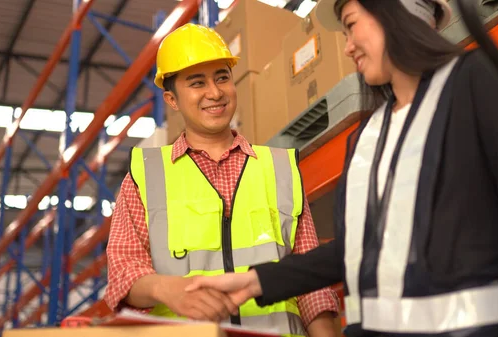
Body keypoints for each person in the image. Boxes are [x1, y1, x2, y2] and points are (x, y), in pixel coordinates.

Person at [185, 1, 498, 337]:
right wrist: (255, 282)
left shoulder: (478, 83)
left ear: (399, 12)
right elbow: (358, 249)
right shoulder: (368, 136)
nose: (347, 47)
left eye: (352, 26)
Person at [103, 23, 341, 337]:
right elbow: (122, 273)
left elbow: (311, 284)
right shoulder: (145, 176)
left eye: (222, 78)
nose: (215, 93)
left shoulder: (280, 168)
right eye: (197, 83)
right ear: (172, 100)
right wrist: (168, 290)